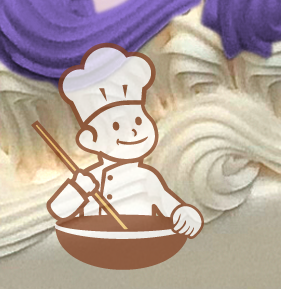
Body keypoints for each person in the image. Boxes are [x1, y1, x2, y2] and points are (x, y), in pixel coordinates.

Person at [47, 44, 203, 237]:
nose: (133, 131)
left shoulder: (146, 176)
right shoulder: (91, 179)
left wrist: (185, 214)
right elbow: (58, 210)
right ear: (92, 139)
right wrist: (79, 188)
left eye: (138, 121)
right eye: (117, 126)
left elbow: (172, 206)